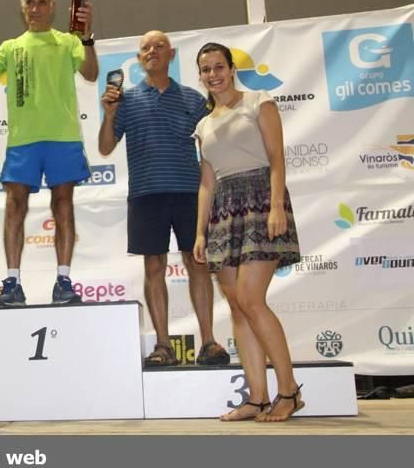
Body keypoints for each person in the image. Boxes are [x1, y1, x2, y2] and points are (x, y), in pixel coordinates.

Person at [0, 0, 98, 306]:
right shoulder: (11, 47)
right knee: (14, 207)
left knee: (63, 206)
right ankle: (12, 284)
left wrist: (88, 37)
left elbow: (92, 74)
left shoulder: (68, 41)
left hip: (62, 137)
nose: (35, 8)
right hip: (23, 141)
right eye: (29, 2)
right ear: (22, 8)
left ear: (52, 7)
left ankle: (64, 281)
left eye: (41, 2)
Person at [98, 31, 230, 367]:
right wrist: (110, 114)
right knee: (153, 267)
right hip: (145, 194)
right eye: (145, 48)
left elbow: (210, 151)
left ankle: (209, 342)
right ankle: (163, 346)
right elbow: (104, 147)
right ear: (139, 57)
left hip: (189, 193)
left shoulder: (194, 99)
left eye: (159, 47)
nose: (152, 51)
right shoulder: (124, 100)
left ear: (171, 55)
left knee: (197, 264)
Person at [192, 42, 303, 422]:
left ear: (231, 68)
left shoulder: (259, 102)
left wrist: (275, 207)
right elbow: (206, 183)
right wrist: (200, 233)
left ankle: (289, 391)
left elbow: (277, 159)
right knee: (238, 306)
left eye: (218, 66)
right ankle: (256, 397)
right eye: (206, 69)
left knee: (251, 298)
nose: (213, 75)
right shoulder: (203, 125)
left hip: (260, 203)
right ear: (201, 75)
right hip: (222, 212)